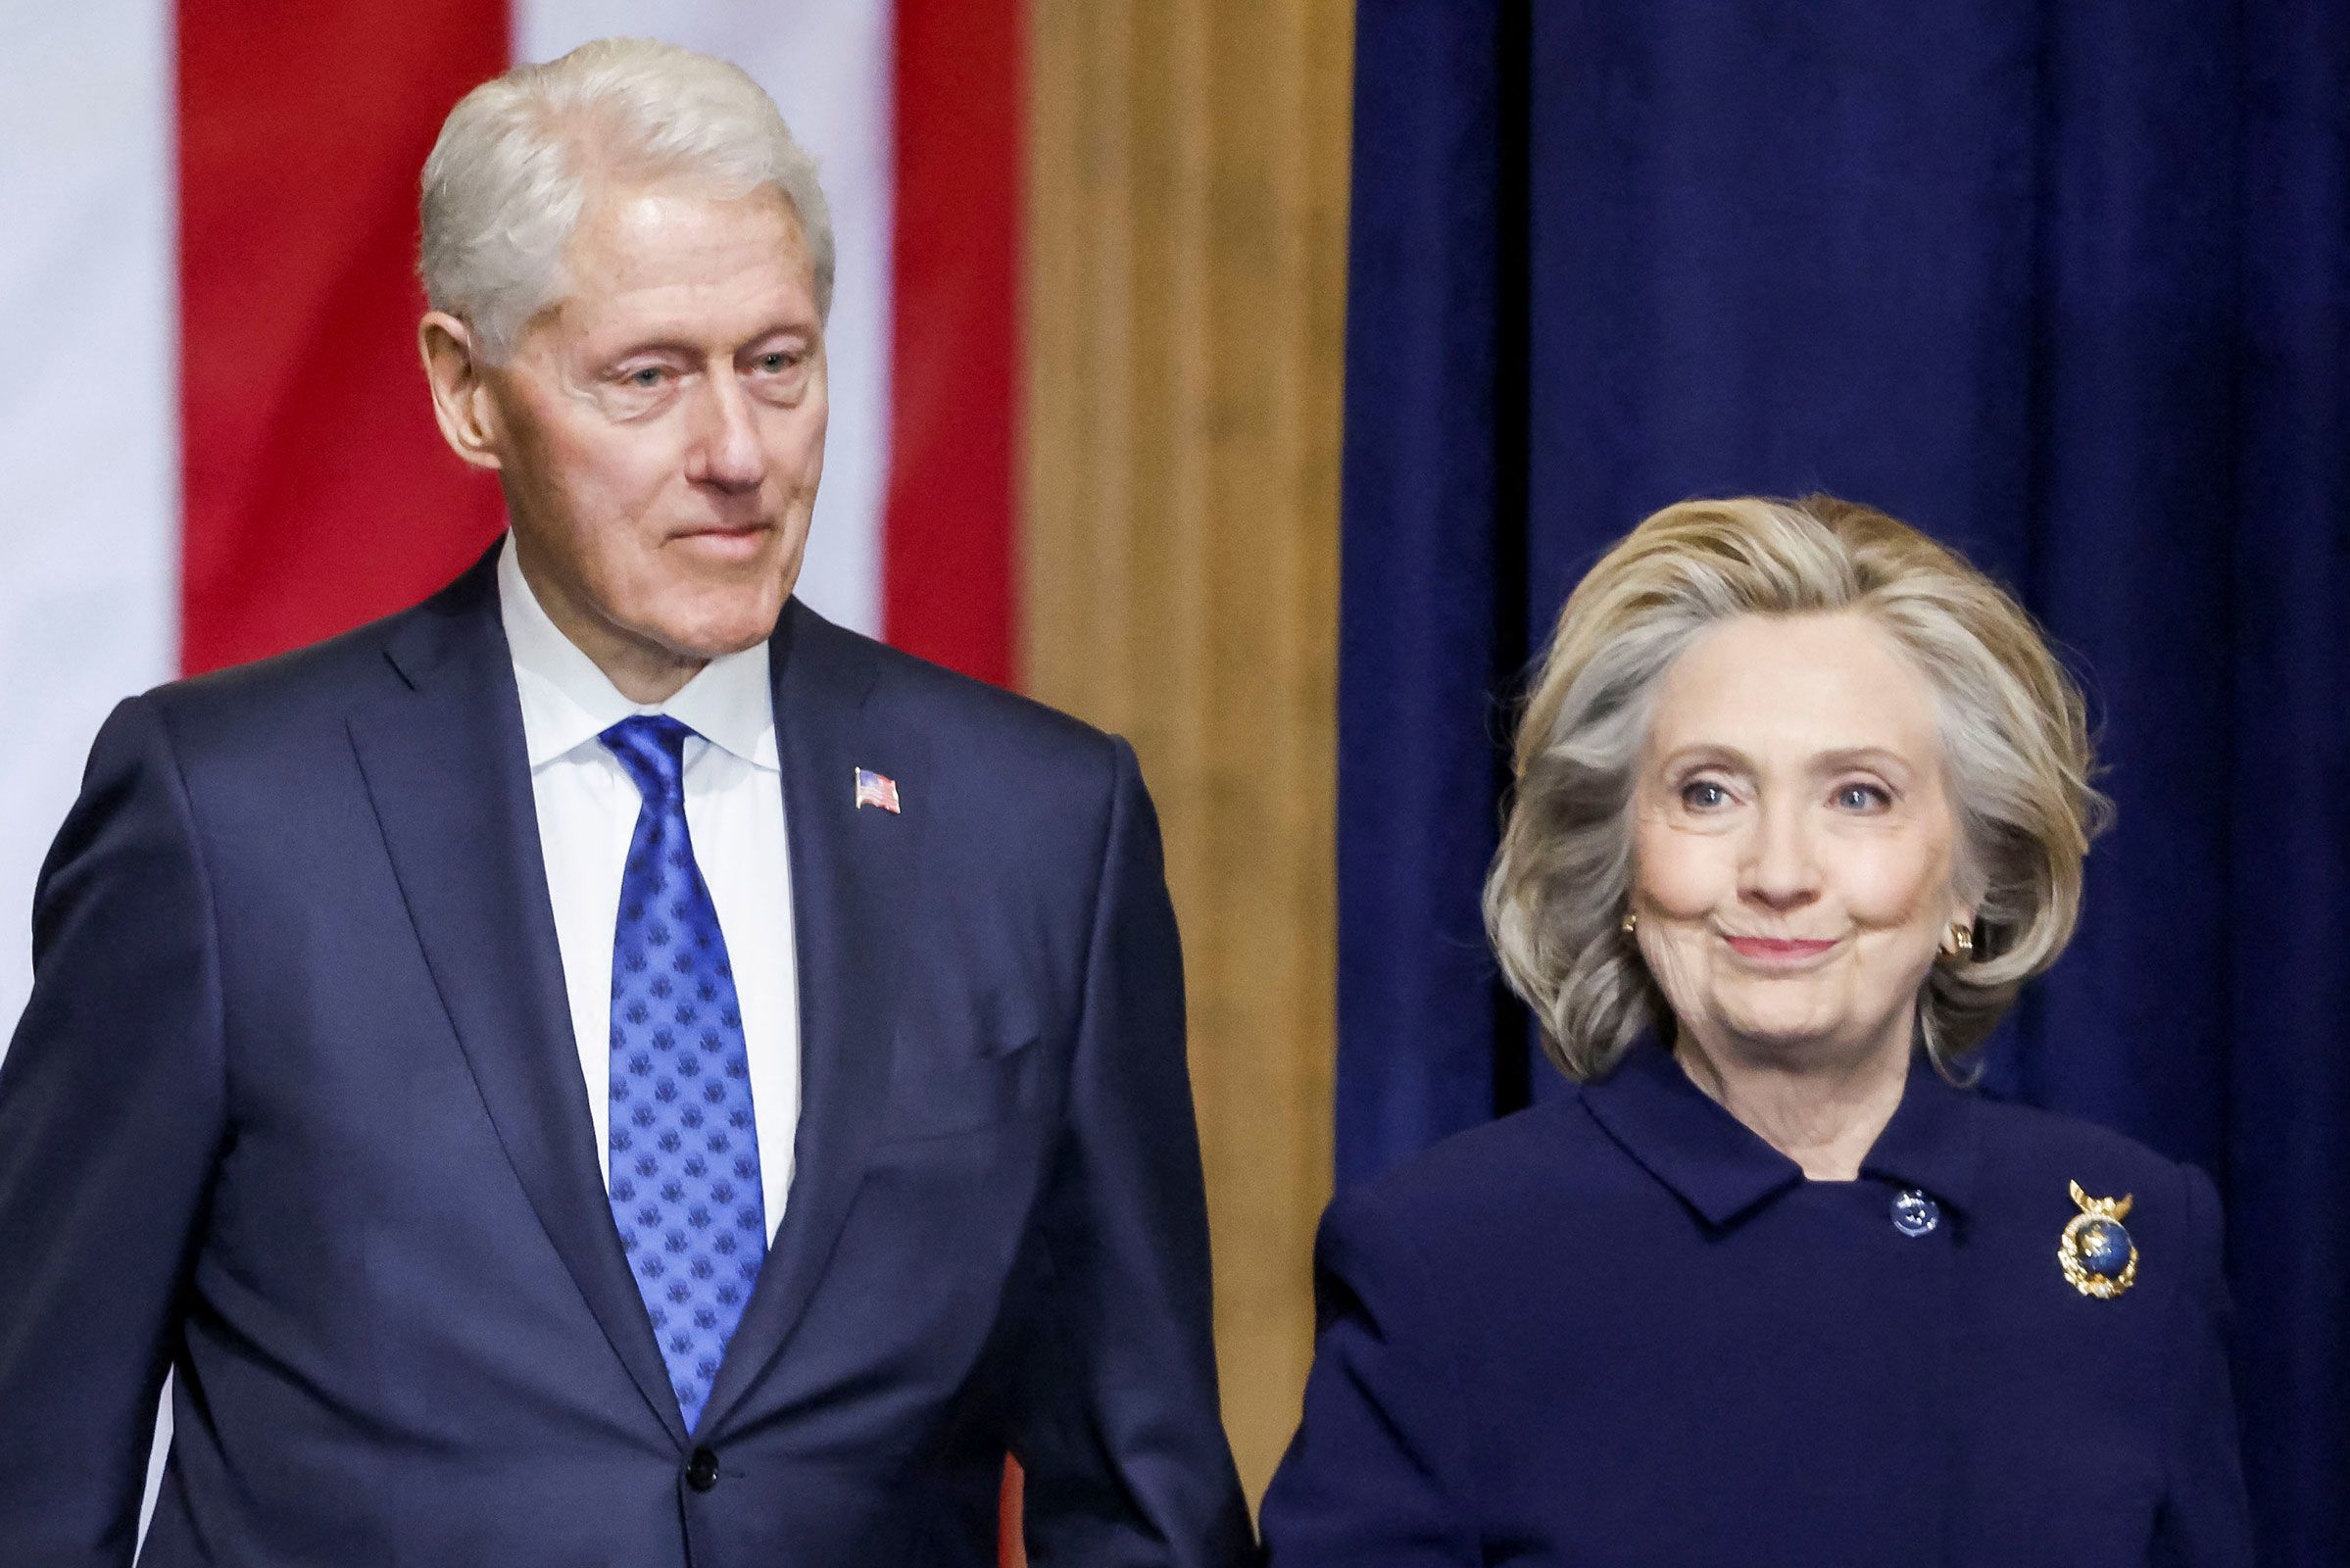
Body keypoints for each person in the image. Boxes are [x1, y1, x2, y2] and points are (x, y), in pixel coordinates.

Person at [0, 39, 1250, 1567]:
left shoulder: (1041, 827)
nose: (736, 454)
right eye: (648, 376)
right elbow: (34, 1463)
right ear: (467, 391)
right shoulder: (224, 823)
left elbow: (1139, 1492)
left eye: (776, 364)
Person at [1258, 495, 2252, 1566]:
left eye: (1859, 796)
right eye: (1710, 792)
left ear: (1972, 871)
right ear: (1623, 863)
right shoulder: (1443, 1255)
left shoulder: (2130, 1237)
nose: (1778, 872)